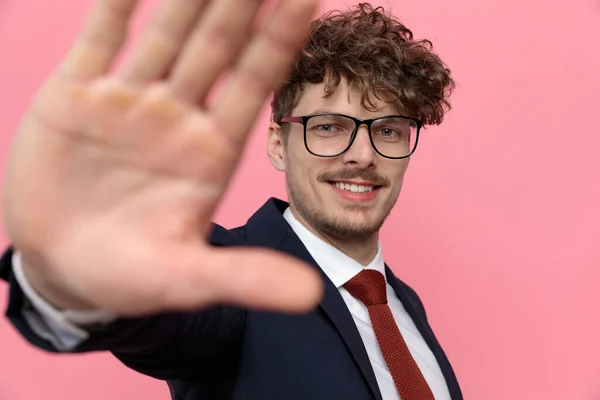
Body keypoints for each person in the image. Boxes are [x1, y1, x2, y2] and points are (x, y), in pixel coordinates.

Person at [0, 0, 461, 399]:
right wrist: (74, 266)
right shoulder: (222, 280)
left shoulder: (405, 305)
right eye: (328, 127)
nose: (363, 155)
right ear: (279, 144)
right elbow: (156, 315)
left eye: (388, 131)